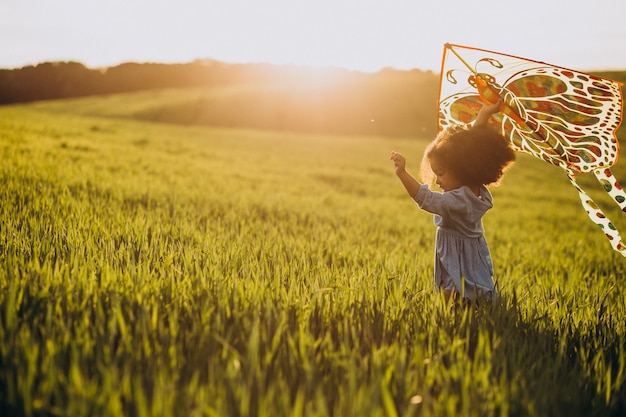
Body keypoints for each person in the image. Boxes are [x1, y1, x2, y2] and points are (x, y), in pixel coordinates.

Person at [390, 101, 515, 302]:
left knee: (454, 294)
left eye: (440, 173)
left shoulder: (456, 201)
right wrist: (483, 114)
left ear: (462, 169)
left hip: (458, 256)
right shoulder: (473, 188)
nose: (437, 180)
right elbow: (470, 148)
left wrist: (403, 173)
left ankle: (463, 322)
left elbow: (426, 199)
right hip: (468, 253)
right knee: (467, 292)